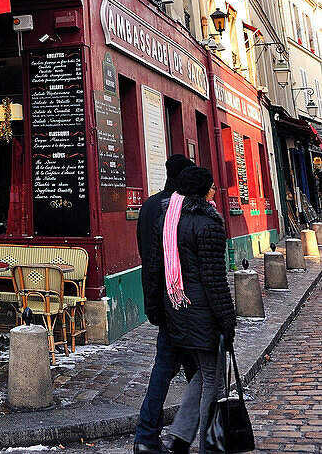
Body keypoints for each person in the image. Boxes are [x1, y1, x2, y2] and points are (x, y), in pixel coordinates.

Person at [145, 166, 236, 454]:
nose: (214, 192)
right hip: (202, 314)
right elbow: (214, 278)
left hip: (177, 308)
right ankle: (211, 444)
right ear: (202, 191)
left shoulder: (169, 220)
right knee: (213, 379)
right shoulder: (207, 224)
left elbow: (154, 268)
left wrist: (156, 309)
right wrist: (227, 319)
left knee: (204, 375)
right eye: (211, 187)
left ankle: (180, 438)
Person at [133, 154, 194, 454]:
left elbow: (144, 254)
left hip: (160, 299)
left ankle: (153, 435)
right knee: (187, 373)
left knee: (184, 371)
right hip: (179, 302)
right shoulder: (179, 209)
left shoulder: (147, 206)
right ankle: (149, 434)